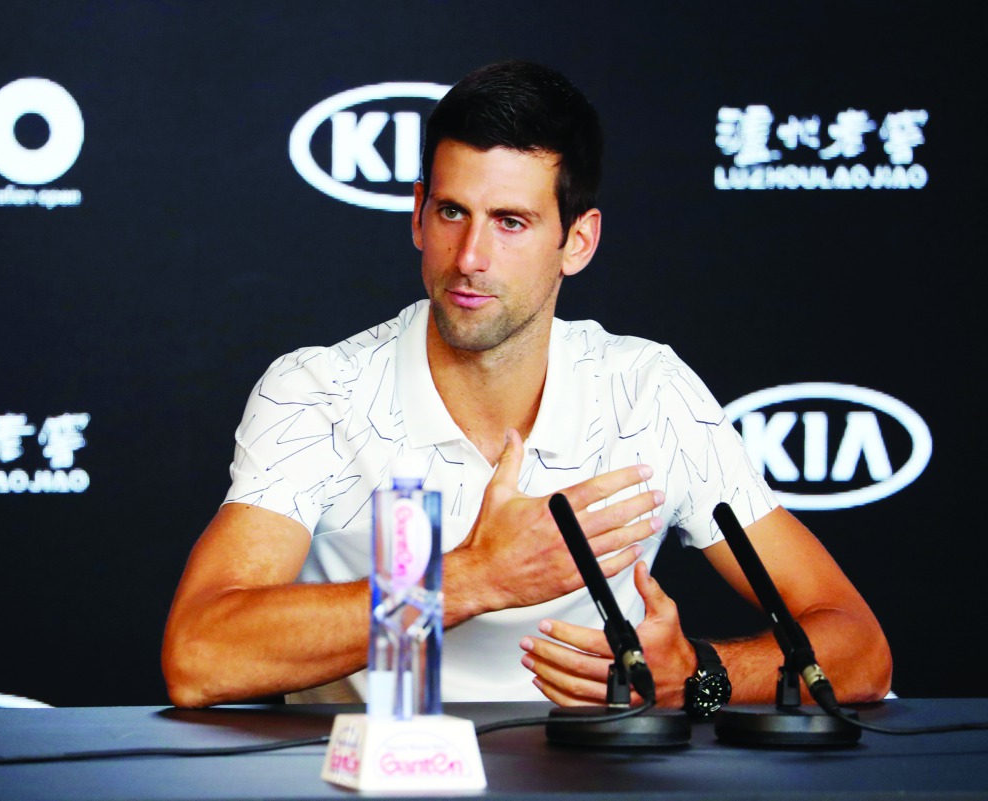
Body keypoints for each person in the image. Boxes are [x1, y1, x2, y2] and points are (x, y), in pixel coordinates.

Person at [162, 61, 891, 711]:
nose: (470, 257)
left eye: (511, 222)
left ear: (578, 241)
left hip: (589, 785)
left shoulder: (647, 392)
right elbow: (198, 657)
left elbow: (859, 646)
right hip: (371, 782)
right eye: (452, 212)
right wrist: (475, 577)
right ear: (417, 215)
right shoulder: (319, 391)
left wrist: (697, 676)